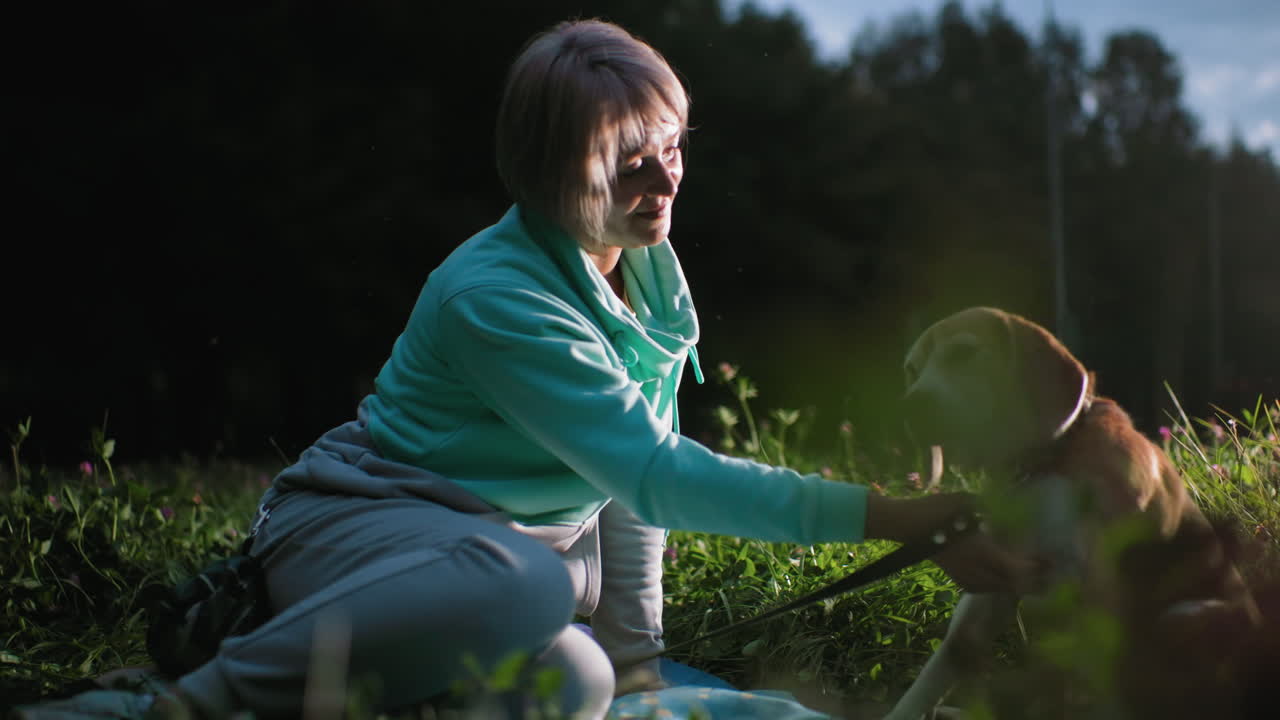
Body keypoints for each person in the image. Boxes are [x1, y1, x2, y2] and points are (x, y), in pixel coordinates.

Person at [14, 18, 1036, 720]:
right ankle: (191, 701)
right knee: (528, 584)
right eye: (627, 160)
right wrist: (893, 515)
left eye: (672, 146)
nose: (663, 178)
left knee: (578, 682)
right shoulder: (495, 296)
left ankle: (380, 689)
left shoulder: (645, 268)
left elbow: (631, 479)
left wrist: (639, 661)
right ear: (553, 173)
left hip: (493, 573)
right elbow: (656, 475)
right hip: (364, 531)